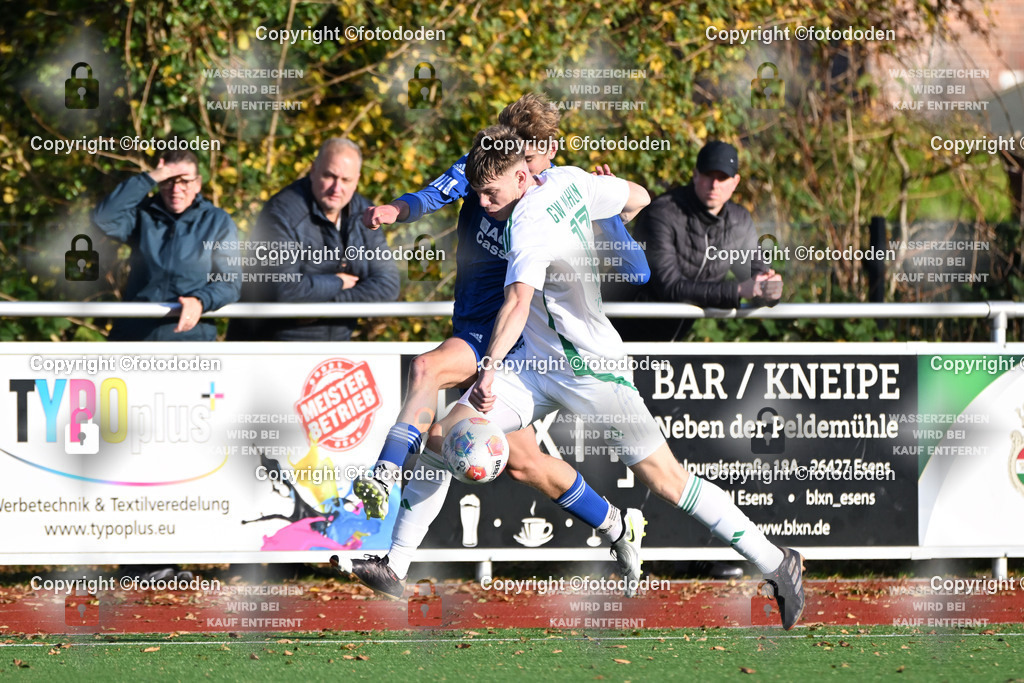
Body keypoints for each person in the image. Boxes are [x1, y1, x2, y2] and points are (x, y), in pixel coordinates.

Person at [395, 126, 804, 629]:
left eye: (491, 193)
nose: (482, 202)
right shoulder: (570, 178)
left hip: (593, 371)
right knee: (446, 436)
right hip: (537, 366)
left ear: (523, 175)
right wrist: (615, 225)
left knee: (667, 481)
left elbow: (519, 301)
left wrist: (490, 367)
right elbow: (637, 196)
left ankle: (776, 562)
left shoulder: (527, 223)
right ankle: (393, 566)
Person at [340, 93, 651, 598]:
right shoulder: (488, 168)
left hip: (509, 340)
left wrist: (610, 211)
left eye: (533, 154)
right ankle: (617, 524)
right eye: (521, 150)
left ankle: (384, 485)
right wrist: (396, 210)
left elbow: (637, 268)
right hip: (483, 329)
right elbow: (436, 193)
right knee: (521, 462)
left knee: (426, 369)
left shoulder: (554, 192)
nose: (526, 162)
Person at [230, 138, 400, 341]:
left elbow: (388, 286)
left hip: (335, 350)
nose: (336, 188)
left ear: (357, 179)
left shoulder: (366, 214)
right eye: (329, 176)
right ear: (313, 171)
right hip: (273, 347)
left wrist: (322, 308)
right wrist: (338, 281)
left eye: (346, 180)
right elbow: (284, 289)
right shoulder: (280, 213)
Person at [614, 140, 783, 342]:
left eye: (722, 178)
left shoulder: (740, 220)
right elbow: (670, 287)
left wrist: (769, 290)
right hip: (615, 335)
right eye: (708, 175)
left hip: (670, 345)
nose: (714, 185)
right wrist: (738, 290)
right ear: (695, 174)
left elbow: (757, 277)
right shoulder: (662, 212)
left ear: (735, 182)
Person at [91, 150, 241, 340]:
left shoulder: (217, 221)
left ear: (198, 184)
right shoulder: (143, 215)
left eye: (184, 181)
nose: (175, 189)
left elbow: (230, 283)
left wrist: (200, 301)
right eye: (168, 180)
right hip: (134, 338)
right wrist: (149, 178)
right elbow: (103, 219)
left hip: (189, 342)